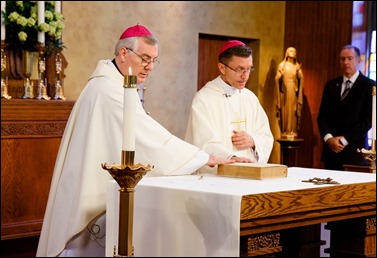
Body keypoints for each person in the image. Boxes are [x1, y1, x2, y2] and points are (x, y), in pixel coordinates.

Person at [36, 24, 234, 257]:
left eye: (154, 60)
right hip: (91, 201)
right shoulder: (107, 88)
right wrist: (202, 157)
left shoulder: (114, 82)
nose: (149, 67)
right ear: (123, 53)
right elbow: (146, 135)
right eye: (144, 59)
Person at [185, 40, 274, 173]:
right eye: (239, 70)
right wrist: (232, 158)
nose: (245, 76)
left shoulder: (250, 98)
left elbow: (266, 136)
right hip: (218, 177)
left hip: (250, 174)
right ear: (222, 68)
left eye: (248, 69)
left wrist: (253, 141)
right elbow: (203, 142)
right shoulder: (204, 99)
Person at [317, 45, 375, 171]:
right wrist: (329, 139)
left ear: (359, 61)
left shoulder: (370, 86)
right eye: (342, 59)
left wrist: (344, 140)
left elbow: (367, 121)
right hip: (331, 153)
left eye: (350, 58)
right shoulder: (331, 85)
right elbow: (322, 117)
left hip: (355, 154)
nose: (346, 62)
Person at [275, 47, 304, 139]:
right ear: (287, 53)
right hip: (285, 91)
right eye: (291, 51)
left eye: (295, 51)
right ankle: (285, 130)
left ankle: (293, 130)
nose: (293, 53)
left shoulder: (296, 66)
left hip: (293, 91)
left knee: (294, 110)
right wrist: (279, 76)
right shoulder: (282, 65)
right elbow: (277, 78)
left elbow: (300, 78)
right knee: (285, 110)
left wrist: (300, 73)